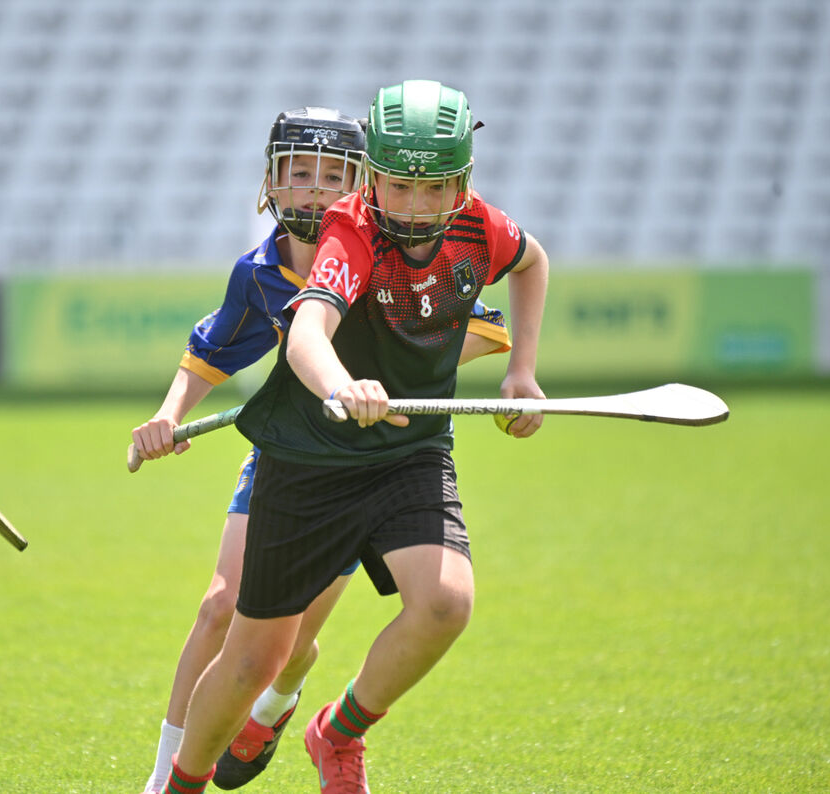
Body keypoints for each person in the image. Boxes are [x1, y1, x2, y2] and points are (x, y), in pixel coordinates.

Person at [157, 79, 549, 794]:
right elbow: (308, 331)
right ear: (375, 180)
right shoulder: (352, 230)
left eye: (437, 188)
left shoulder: (479, 227)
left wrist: (521, 373)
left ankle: (337, 731)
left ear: (463, 181)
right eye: (400, 186)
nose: (417, 205)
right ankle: (181, 783)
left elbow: (532, 262)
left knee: (445, 604)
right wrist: (343, 386)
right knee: (257, 656)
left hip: (409, 454)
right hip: (309, 462)